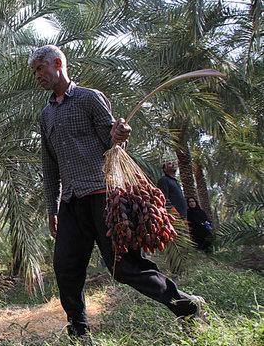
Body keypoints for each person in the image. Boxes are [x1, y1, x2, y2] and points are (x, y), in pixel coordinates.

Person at [30, 45, 204, 341]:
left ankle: (185, 305)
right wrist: (53, 208)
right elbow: (50, 167)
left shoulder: (89, 99)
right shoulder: (46, 115)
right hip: (71, 201)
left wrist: (119, 135)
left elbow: (115, 144)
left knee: (124, 268)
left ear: (57, 63)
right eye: (34, 72)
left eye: (40, 69)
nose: (37, 76)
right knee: (65, 267)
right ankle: (79, 330)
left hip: (104, 198)